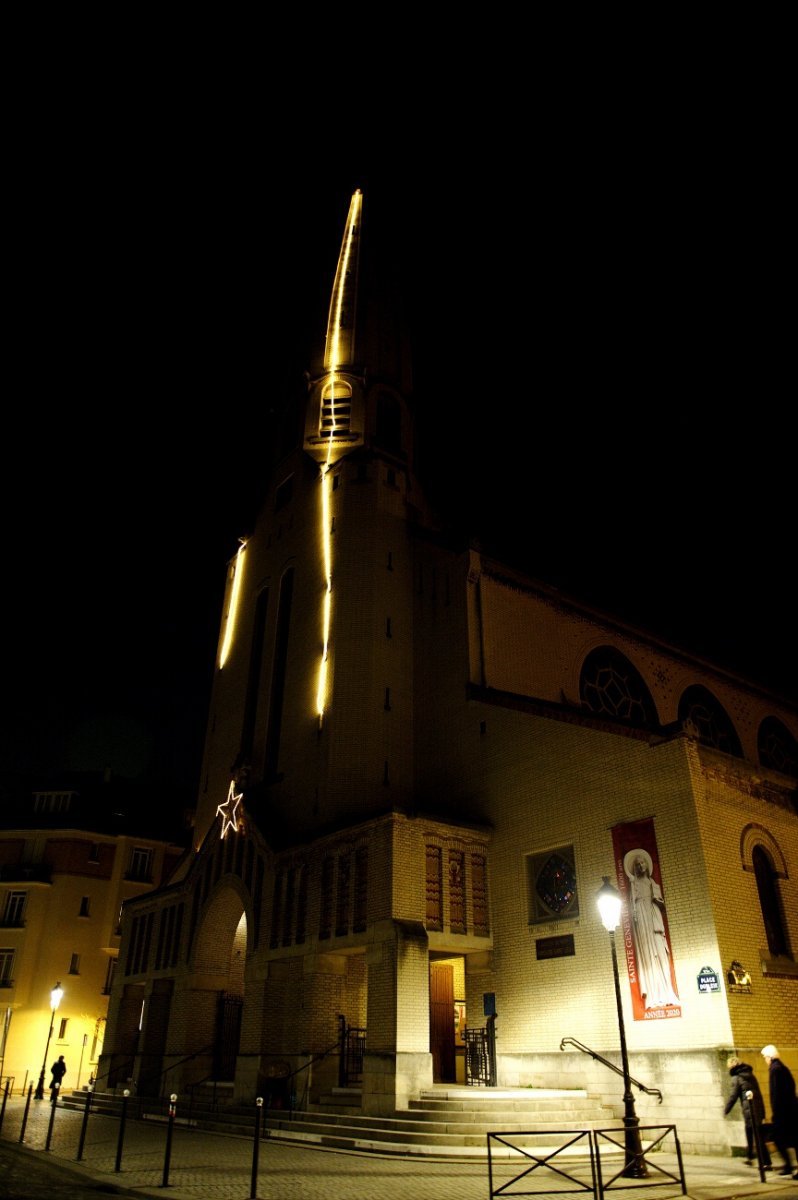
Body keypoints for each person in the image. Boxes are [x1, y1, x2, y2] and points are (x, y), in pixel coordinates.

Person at [623, 848, 679, 1009]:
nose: (640, 866)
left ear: (647, 866)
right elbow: (632, 905)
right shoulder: (633, 884)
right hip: (642, 919)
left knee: (661, 954)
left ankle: (668, 992)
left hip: (654, 919)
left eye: (642, 863)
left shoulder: (653, 883)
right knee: (648, 956)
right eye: (637, 864)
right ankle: (654, 995)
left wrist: (657, 900)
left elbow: (660, 903)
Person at [723, 1054, 772, 1167]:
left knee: (757, 1137)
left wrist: (726, 1109)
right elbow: (759, 1094)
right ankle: (750, 1156)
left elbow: (733, 1096)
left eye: (729, 1066)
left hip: (750, 1110)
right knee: (750, 1133)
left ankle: (765, 1163)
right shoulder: (750, 1075)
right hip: (757, 1109)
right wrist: (763, 1112)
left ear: (732, 1066)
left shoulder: (737, 1077)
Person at [761, 1045, 798, 1178]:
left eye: (765, 1057)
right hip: (790, 1110)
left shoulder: (775, 1069)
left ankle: (788, 1166)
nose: (764, 1059)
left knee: (780, 1139)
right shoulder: (782, 1068)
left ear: (770, 1057)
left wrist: (776, 1112)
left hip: (784, 1112)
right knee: (792, 1139)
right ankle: (788, 1166)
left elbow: (776, 1093)